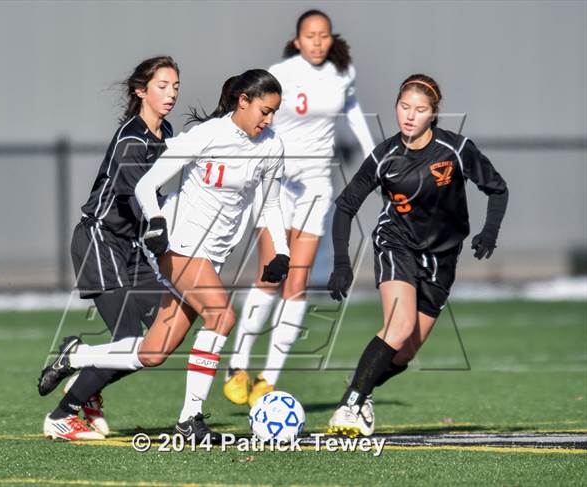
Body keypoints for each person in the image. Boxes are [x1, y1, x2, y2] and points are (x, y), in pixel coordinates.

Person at [38, 69, 290, 443]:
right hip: (180, 245)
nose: (268, 120)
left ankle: (75, 359)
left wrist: (282, 250)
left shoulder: (272, 146)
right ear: (243, 101)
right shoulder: (208, 136)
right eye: (264, 111)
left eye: (273, 113)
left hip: (213, 256)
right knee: (221, 316)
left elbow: (270, 204)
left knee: (152, 353)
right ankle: (190, 420)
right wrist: (156, 222)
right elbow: (146, 185)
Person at [325, 73, 509, 436]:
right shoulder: (385, 156)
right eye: (404, 106)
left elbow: (498, 189)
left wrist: (490, 231)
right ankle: (349, 406)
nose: (409, 116)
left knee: (405, 352)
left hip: (443, 258)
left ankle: (364, 383)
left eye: (420, 109)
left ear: (433, 114)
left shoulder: (456, 149)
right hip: (397, 243)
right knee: (399, 326)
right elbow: (345, 206)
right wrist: (341, 263)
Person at [223, 9, 375, 407]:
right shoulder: (281, 75)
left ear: (330, 38)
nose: (317, 42)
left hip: (316, 187)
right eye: (310, 35)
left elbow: (353, 110)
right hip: (277, 184)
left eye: (323, 35)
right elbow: (257, 118)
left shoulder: (343, 73)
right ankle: (237, 364)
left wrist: (373, 154)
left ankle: (267, 379)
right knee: (270, 274)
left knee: (297, 282)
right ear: (297, 40)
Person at [38, 56, 181, 441]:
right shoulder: (132, 139)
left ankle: (85, 382)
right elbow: (139, 196)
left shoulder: (165, 131)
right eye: (162, 86)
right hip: (100, 241)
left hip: (131, 247)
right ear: (141, 91)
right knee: (130, 341)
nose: (171, 94)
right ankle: (62, 415)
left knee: (162, 336)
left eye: (175, 87)